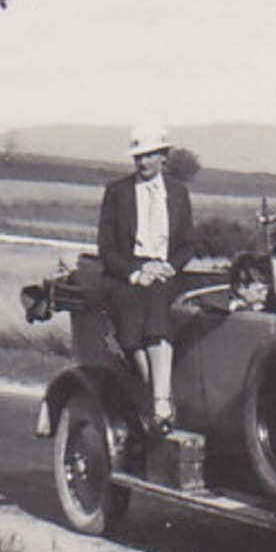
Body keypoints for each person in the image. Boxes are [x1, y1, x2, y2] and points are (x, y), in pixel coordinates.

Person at [97, 124, 195, 434]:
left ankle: (159, 400)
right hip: (128, 270)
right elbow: (106, 247)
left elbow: (188, 244)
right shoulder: (117, 192)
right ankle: (158, 396)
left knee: (156, 300)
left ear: (163, 157)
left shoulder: (178, 193)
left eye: (150, 156)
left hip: (164, 269)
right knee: (129, 303)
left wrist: (169, 267)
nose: (143, 163)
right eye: (139, 157)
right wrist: (135, 272)